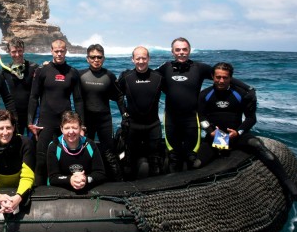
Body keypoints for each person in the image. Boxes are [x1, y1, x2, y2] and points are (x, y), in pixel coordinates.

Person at [198, 62, 297, 201]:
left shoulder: (241, 94)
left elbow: (251, 118)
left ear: (231, 78)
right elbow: (200, 116)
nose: (221, 81)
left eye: (225, 77)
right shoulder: (205, 95)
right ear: (212, 76)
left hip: (237, 135)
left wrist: (238, 132)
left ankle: (288, 184)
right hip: (217, 136)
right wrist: (210, 130)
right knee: (198, 163)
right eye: (218, 77)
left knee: (258, 146)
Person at [156, 37, 251, 172]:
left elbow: (222, 75)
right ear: (172, 51)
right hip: (171, 118)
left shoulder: (199, 68)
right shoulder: (166, 67)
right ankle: (171, 184)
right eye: (178, 50)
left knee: (192, 157)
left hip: (192, 118)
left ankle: (198, 182)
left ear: (189, 50)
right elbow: (149, 77)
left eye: (184, 49)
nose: (181, 52)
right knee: (173, 156)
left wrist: (248, 89)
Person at [27, 39, 85, 185]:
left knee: (64, 158)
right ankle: (39, 192)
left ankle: (64, 188)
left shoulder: (72, 72)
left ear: (66, 51)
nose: (59, 54)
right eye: (56, 51)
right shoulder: (42, 71)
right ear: (51, 51)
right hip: (45, 123)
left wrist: (81, 126)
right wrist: (30, 122)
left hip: (65, 124)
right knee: (40, 159)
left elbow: (78, 100)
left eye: (62, 51)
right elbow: (33, 97)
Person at [117, 46, 164, 179]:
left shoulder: (158, 77)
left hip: (153, 125)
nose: (141, 61)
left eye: (144, 58)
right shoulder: (126, 77)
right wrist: (124, 113)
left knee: (155, 161)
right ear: (133, 59)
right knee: (129, 161)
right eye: (138, 58)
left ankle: (156, 190)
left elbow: (174, 92)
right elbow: (117, 95)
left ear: (148, 58)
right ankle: (128, 188)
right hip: (133, 126)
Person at [79, 43, 124, 180]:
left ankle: (117, 182)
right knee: (85, 150)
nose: (96, 60)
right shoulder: (80, 75)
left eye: (99, 57)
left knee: (109, 151)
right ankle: (85, 179)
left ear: (103, 58)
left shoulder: (109, 76)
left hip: (104, 120)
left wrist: (125, 115)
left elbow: (119, 96)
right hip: (87, 120)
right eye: (92, 57)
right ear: (87, 59)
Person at [0, 110, 34, 214]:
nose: (5, 132)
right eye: (1, 128)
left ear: (13, 127)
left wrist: (18, 198)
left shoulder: (26, 144)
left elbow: (28, 177)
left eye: (8, 127)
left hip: (19, 190)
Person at [47, 111, 106, 192]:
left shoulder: (90, 145)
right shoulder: (54, 146)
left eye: (74, 128)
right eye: (67, 128)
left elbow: (100, 173)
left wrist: (86, 179)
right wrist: (70, 180)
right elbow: (53, 177)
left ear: (80, 128)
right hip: (62, 190)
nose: (71, 132)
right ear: (61, 129)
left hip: (85, 186)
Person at [0, 37, 39, 137]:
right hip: (14, 113)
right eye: (14, 51)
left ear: (23, 50)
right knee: (16, 144)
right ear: (9, 52)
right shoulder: (5, 70)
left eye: (20, 51)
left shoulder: (34, 67)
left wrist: (48, 65)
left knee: (33, 144)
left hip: (32, 113)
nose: (17, 54)